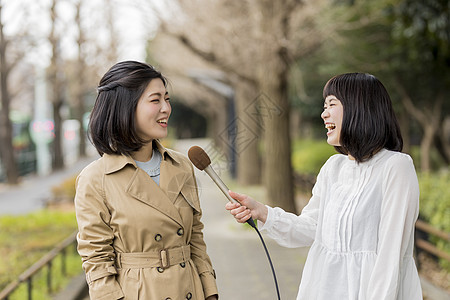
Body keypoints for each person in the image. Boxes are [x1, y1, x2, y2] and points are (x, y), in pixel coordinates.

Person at [226, 73, 422, 299]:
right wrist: (262, 212)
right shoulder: (334, 167)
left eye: (332, 104)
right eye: (324, 105)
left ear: (359, 107)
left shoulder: (395, 167)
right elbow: (310, 228)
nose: (323, 113)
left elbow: (390, 257)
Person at [75, 61, 219, 300]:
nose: (166, 108)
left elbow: (195, 237)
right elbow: (96, 261)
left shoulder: (182, 165)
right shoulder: (95, 179)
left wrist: (210, 291)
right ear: (125, 107)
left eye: (167, 98)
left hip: (190, 289)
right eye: (155, 100)